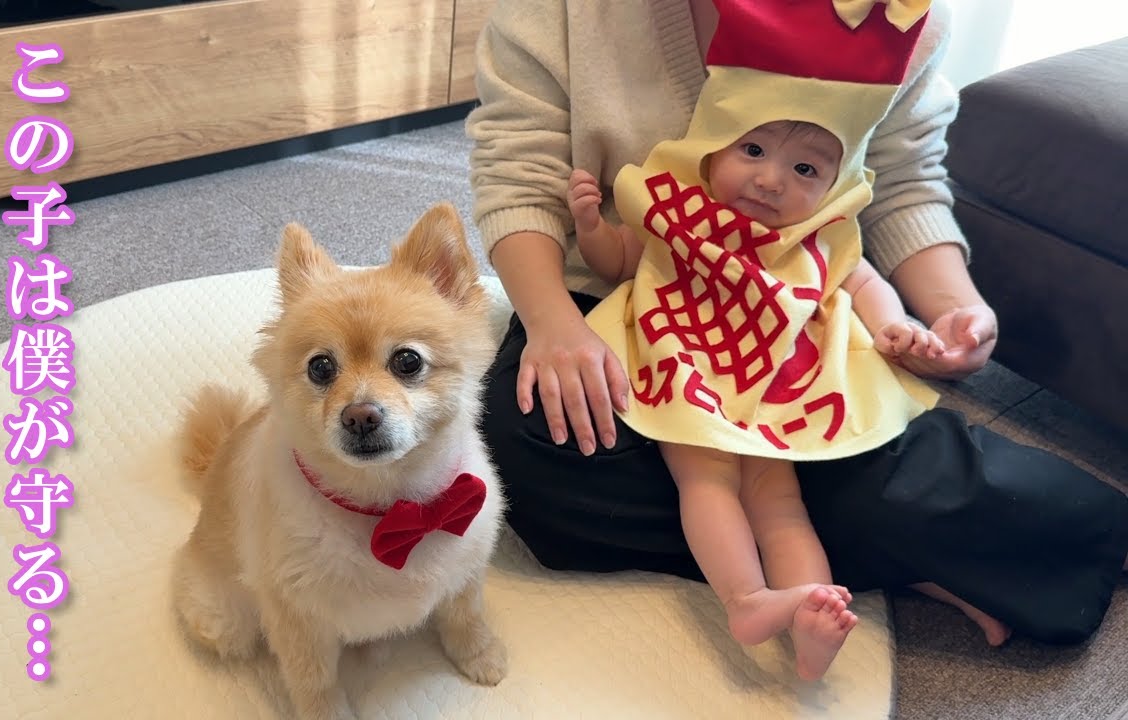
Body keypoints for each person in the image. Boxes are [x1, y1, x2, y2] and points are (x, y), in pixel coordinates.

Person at [465, 0, 1128, 654]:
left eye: (804, 168)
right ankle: (895, 543)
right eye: (753, 150)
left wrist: (952, 309)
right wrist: (553, 324)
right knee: (531, 445)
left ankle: (853, 542)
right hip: (626, 310)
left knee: (805, 476)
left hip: (794, 333)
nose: (768, 181)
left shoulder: (902, 19)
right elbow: (522, 178)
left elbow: (901, 182)